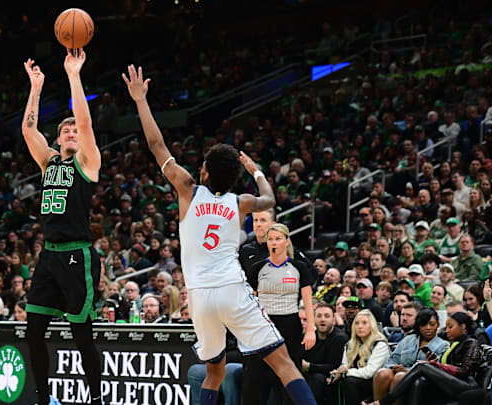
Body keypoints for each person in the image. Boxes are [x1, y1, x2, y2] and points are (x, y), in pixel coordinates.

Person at [123, 64, 316, 405]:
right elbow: (270, 199)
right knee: (285, 364)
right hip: (231, 290)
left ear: (206, 170)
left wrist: (140, 100)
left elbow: (156, 144)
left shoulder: (187, 190)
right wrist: (256, 171)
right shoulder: (240, 202)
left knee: (213, 371)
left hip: (198, 296)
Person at [22, 51, 103, 405]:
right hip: (49, 257)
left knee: (81, 335)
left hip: (77, 256)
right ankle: (43, 396)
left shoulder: (88, 161)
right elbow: (28, 129)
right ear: (57, 140)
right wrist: (36, 88)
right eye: (65, 130)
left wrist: (73, 75)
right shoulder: (48, 162)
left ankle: (96, 398)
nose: (72, 132)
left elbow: (85, 126)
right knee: (33, 332)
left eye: (75, 130)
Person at [252, 223, 317, 404]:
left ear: (287, 241)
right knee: (258, 379)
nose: (274, 243)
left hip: (290, 325)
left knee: (289, 377)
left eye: (278, 239)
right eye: (270, 239)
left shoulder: (299, 268)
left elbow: (308, 302)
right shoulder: (257, 268)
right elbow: (252, 303)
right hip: (263, 326)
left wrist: (311, 329)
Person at [367, 312, 482, 405]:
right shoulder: (454, 343)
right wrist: (435, 363)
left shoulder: (470, 342)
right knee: (386, 373)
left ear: (463, 327)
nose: (446, 330)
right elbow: (393, 359)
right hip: (451, 381)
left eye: (450, 327)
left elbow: (465, 371)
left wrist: (436, 366)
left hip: (466, 384)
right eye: (446, 327)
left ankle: (384, 402)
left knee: (420, 366)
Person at [370, 308, 449, 402]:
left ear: (438, 325)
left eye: (432, 324)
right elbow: (392, 360)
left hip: (423, 379)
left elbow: (437, 369)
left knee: (400, 377)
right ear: (418, 326)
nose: (428, 328)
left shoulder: (443, 345)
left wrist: (406, 371)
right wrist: (394, 367)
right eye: (424, 324)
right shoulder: (408, 339)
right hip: (400, 372)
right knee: (382, 373)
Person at [329, 310, 390, 405]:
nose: (360, 326)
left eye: (364, 323)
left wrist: (345, 373)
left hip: (374, 385)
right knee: (332, 382)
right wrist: (337, 373)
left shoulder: (380, 344)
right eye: (357, 323)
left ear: (372, 326)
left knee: (350, 381)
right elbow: (344, 365)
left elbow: (370, 372)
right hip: (354, 380)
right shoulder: (350, 344)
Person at [302, 303, 348, 404]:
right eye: (319, 316)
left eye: (327, 316)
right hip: (310, 375)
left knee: (317, 378)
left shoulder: (339, 338)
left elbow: (334, 365)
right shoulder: (309, 337)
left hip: (329, 378)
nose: (322, 319)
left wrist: (309, 367)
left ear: (334, 320)